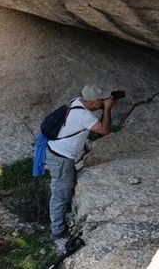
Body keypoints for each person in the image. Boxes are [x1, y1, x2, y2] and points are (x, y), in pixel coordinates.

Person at [45, 84, 119, 251]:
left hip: (58, 155)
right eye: (102, 99)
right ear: (92, 101)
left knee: (65, 189)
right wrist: (107, 109)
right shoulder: (83, 115)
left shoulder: (76, 102)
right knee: (60, 195)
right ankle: (58, 234)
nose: (105, 101)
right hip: (61, 159)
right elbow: (105, 130)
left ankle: (64, 218)